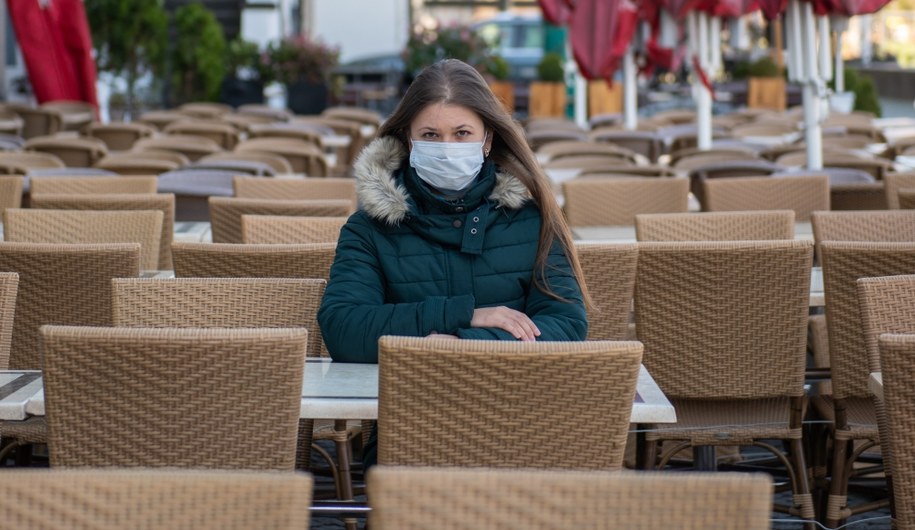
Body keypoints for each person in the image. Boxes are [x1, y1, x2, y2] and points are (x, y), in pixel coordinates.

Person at [317, 58, 591, 465]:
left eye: (461, 133)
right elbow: (343, 328)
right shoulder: (369, 229)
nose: (446, 147)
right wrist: (466, 314)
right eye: (431, 135)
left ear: (487, 139)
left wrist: (460, 346)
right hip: (410, 432)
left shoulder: (532, 221)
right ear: (409, 142)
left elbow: (566, 325)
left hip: (520, 426)